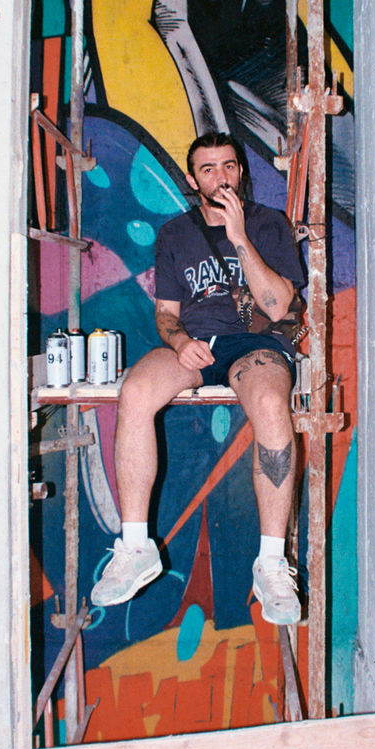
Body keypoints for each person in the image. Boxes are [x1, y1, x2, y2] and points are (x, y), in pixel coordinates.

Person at [90, 132, 305, 625]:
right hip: (198, 342)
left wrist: (239, 237)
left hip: (255, 342)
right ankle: (136, 547)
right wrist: (180, 341)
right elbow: (166, 313)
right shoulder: (174, 234)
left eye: (228, 166)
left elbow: (277, 307)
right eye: (208, 169)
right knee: (135, 391)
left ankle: (272, 563)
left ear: (240, 172)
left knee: (271, 406)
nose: (220, 177)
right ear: (193, 180)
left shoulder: (268, 224)